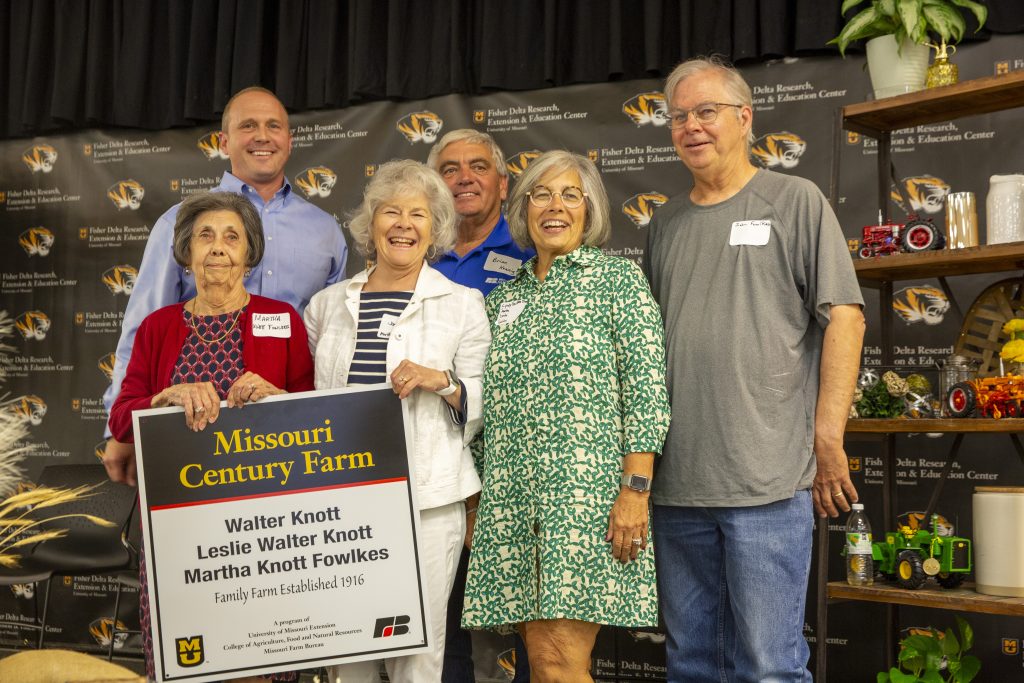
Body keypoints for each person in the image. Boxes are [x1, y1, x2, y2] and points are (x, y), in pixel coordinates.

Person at [644, 56, 866, 682]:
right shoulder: (664, 223)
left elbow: (845, 318)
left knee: (769, 668)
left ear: (745, 118)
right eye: (679, 116)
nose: (691, 127)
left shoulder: (794, 201)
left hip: (768, 484)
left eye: (706, 112)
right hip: (676, 488)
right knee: (691, 665)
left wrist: (828, 437)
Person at [462, 150, 671, 683]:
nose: (555, 207)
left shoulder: (617, 281)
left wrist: (636, 490)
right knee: (541, 663)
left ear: (590, 208)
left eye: (570, 195)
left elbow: (646, 393)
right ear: (524, 207)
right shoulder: (501, 301)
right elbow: (484, 408)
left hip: (586, 504)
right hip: (510, 507)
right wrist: (475, 501)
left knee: (559, 663)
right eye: (541, 194)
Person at [107, 191, 314, 683]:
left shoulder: (281, 319)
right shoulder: (159, 327)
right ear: (186, 252)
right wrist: (164, 397)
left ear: (249, 252)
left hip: (264, 528)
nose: (217, 247)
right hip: (179, 529)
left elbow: (312, 417)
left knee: (262, 655)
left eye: (231, 237)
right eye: (205, 236)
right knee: (186, 656)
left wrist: (276, 392)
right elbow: (121, 417)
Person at [303, 159, 490, 683]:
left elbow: (481, 402)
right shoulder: (326, 306)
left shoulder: (463, 305)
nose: (404, 224)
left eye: (419, 214)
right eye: (391, 212)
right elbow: (311, 399)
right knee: (349, 650)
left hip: (428, 500)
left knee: (417, 655)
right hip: (343, 497)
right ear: (371, 222)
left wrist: (444, 382)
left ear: (435, 229)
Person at [102, 86, 347, 485]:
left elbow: (329, 343)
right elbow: (141, 330)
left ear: (290, 139)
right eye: (247, 125)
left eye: (273, 126)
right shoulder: (177, 221)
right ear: (223, 141)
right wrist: (120, 431)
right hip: (183, 449)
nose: (262, 136)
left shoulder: (325, 231)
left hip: (283, 446)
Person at [427, 129, 534, 683]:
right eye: (449, 168)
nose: (464, 177)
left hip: (509, 458)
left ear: (503, 182)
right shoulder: (414, 252)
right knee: (436, 621)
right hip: (434, 458)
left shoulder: (533, 249)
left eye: (477, 166)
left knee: (509, 630)